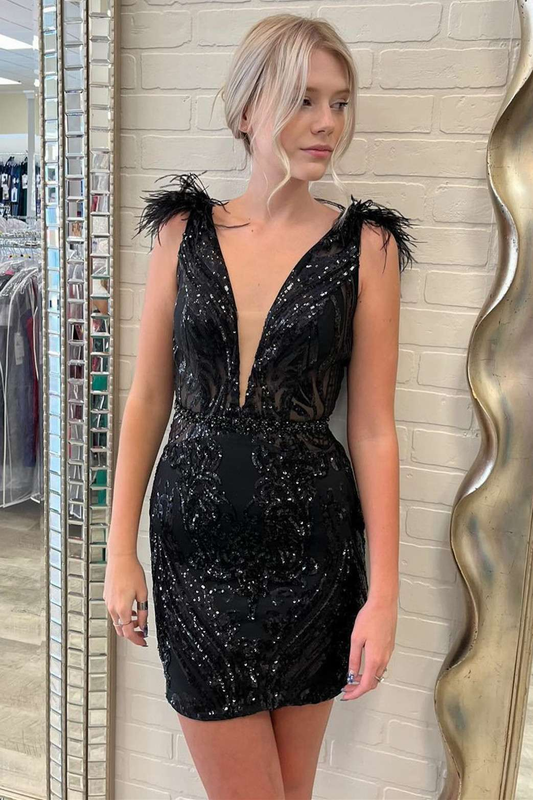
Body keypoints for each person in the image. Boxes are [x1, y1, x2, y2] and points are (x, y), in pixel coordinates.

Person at [104, 13, 417, 800]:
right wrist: (117, 550)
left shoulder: (366, 248)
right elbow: (147, 398)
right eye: (303, 99)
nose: (327, 122)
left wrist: (383, 594)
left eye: (339, 102)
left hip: (313, 557)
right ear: (247, 109)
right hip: (195, 555)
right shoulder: (181, 234)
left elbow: (372, 430)